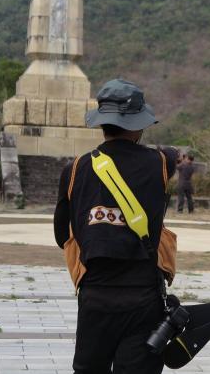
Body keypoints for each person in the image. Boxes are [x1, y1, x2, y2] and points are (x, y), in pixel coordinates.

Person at [54, 78, 179, 374]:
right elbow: (170, 154)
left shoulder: (74, 169)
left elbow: (62, 236)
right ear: (138, 124)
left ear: (102, 122)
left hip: (95, 297)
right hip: (144, 296)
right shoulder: (161, 163)